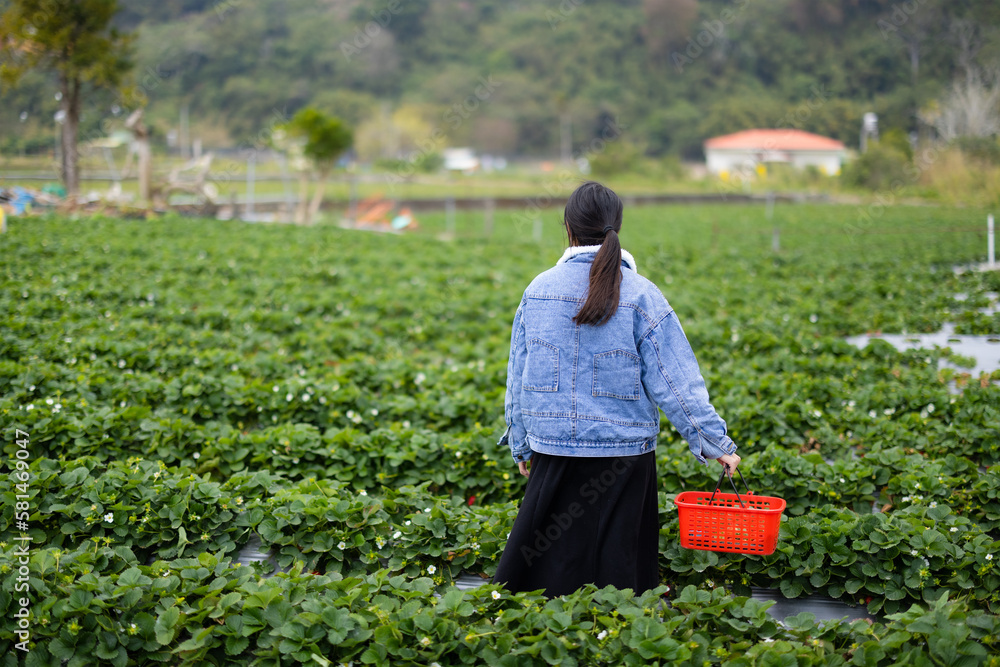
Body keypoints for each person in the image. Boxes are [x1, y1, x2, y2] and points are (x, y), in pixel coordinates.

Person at [492, 181, 741, 597]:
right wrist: (716, 445)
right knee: (621, 583)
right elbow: (677, 383)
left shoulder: (538, 291)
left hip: (553, 451)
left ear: (568, 229)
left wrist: (521, 444)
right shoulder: (643, 295)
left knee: (543, 583)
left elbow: (518, 378)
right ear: (616, 227)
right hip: (625, 460)